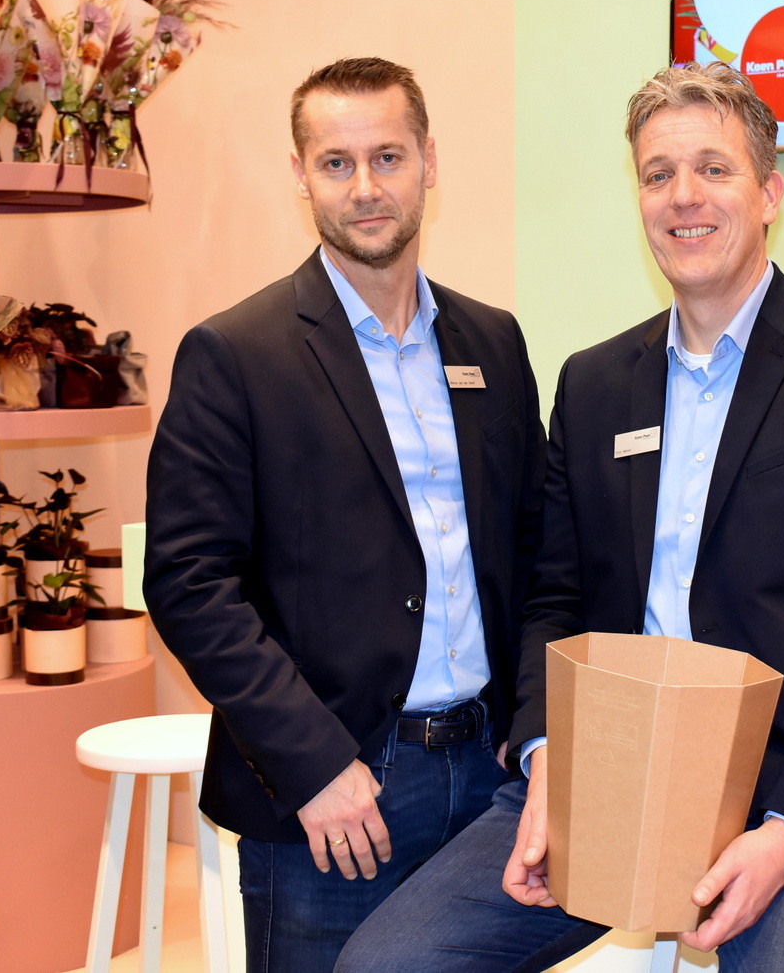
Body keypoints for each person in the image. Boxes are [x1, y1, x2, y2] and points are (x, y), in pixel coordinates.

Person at [335, 62, 784, 972]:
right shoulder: (595, 385)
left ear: (770, 194)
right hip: (609, 779)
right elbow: (555, 600)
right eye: (658, 174)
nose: (683, 196)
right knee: (384, 965)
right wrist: (547, 755)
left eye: (714, 169)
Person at [144, 57, 545, 971]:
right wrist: (313, 763)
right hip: (338, 791)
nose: (366, 187)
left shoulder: (492, 342)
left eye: (388, 157)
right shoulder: (235, 355)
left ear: (430, 162)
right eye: (336, 163)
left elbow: (534, 551)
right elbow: (189, 583)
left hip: (489, 772)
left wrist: (532, 734)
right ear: (301, 175)